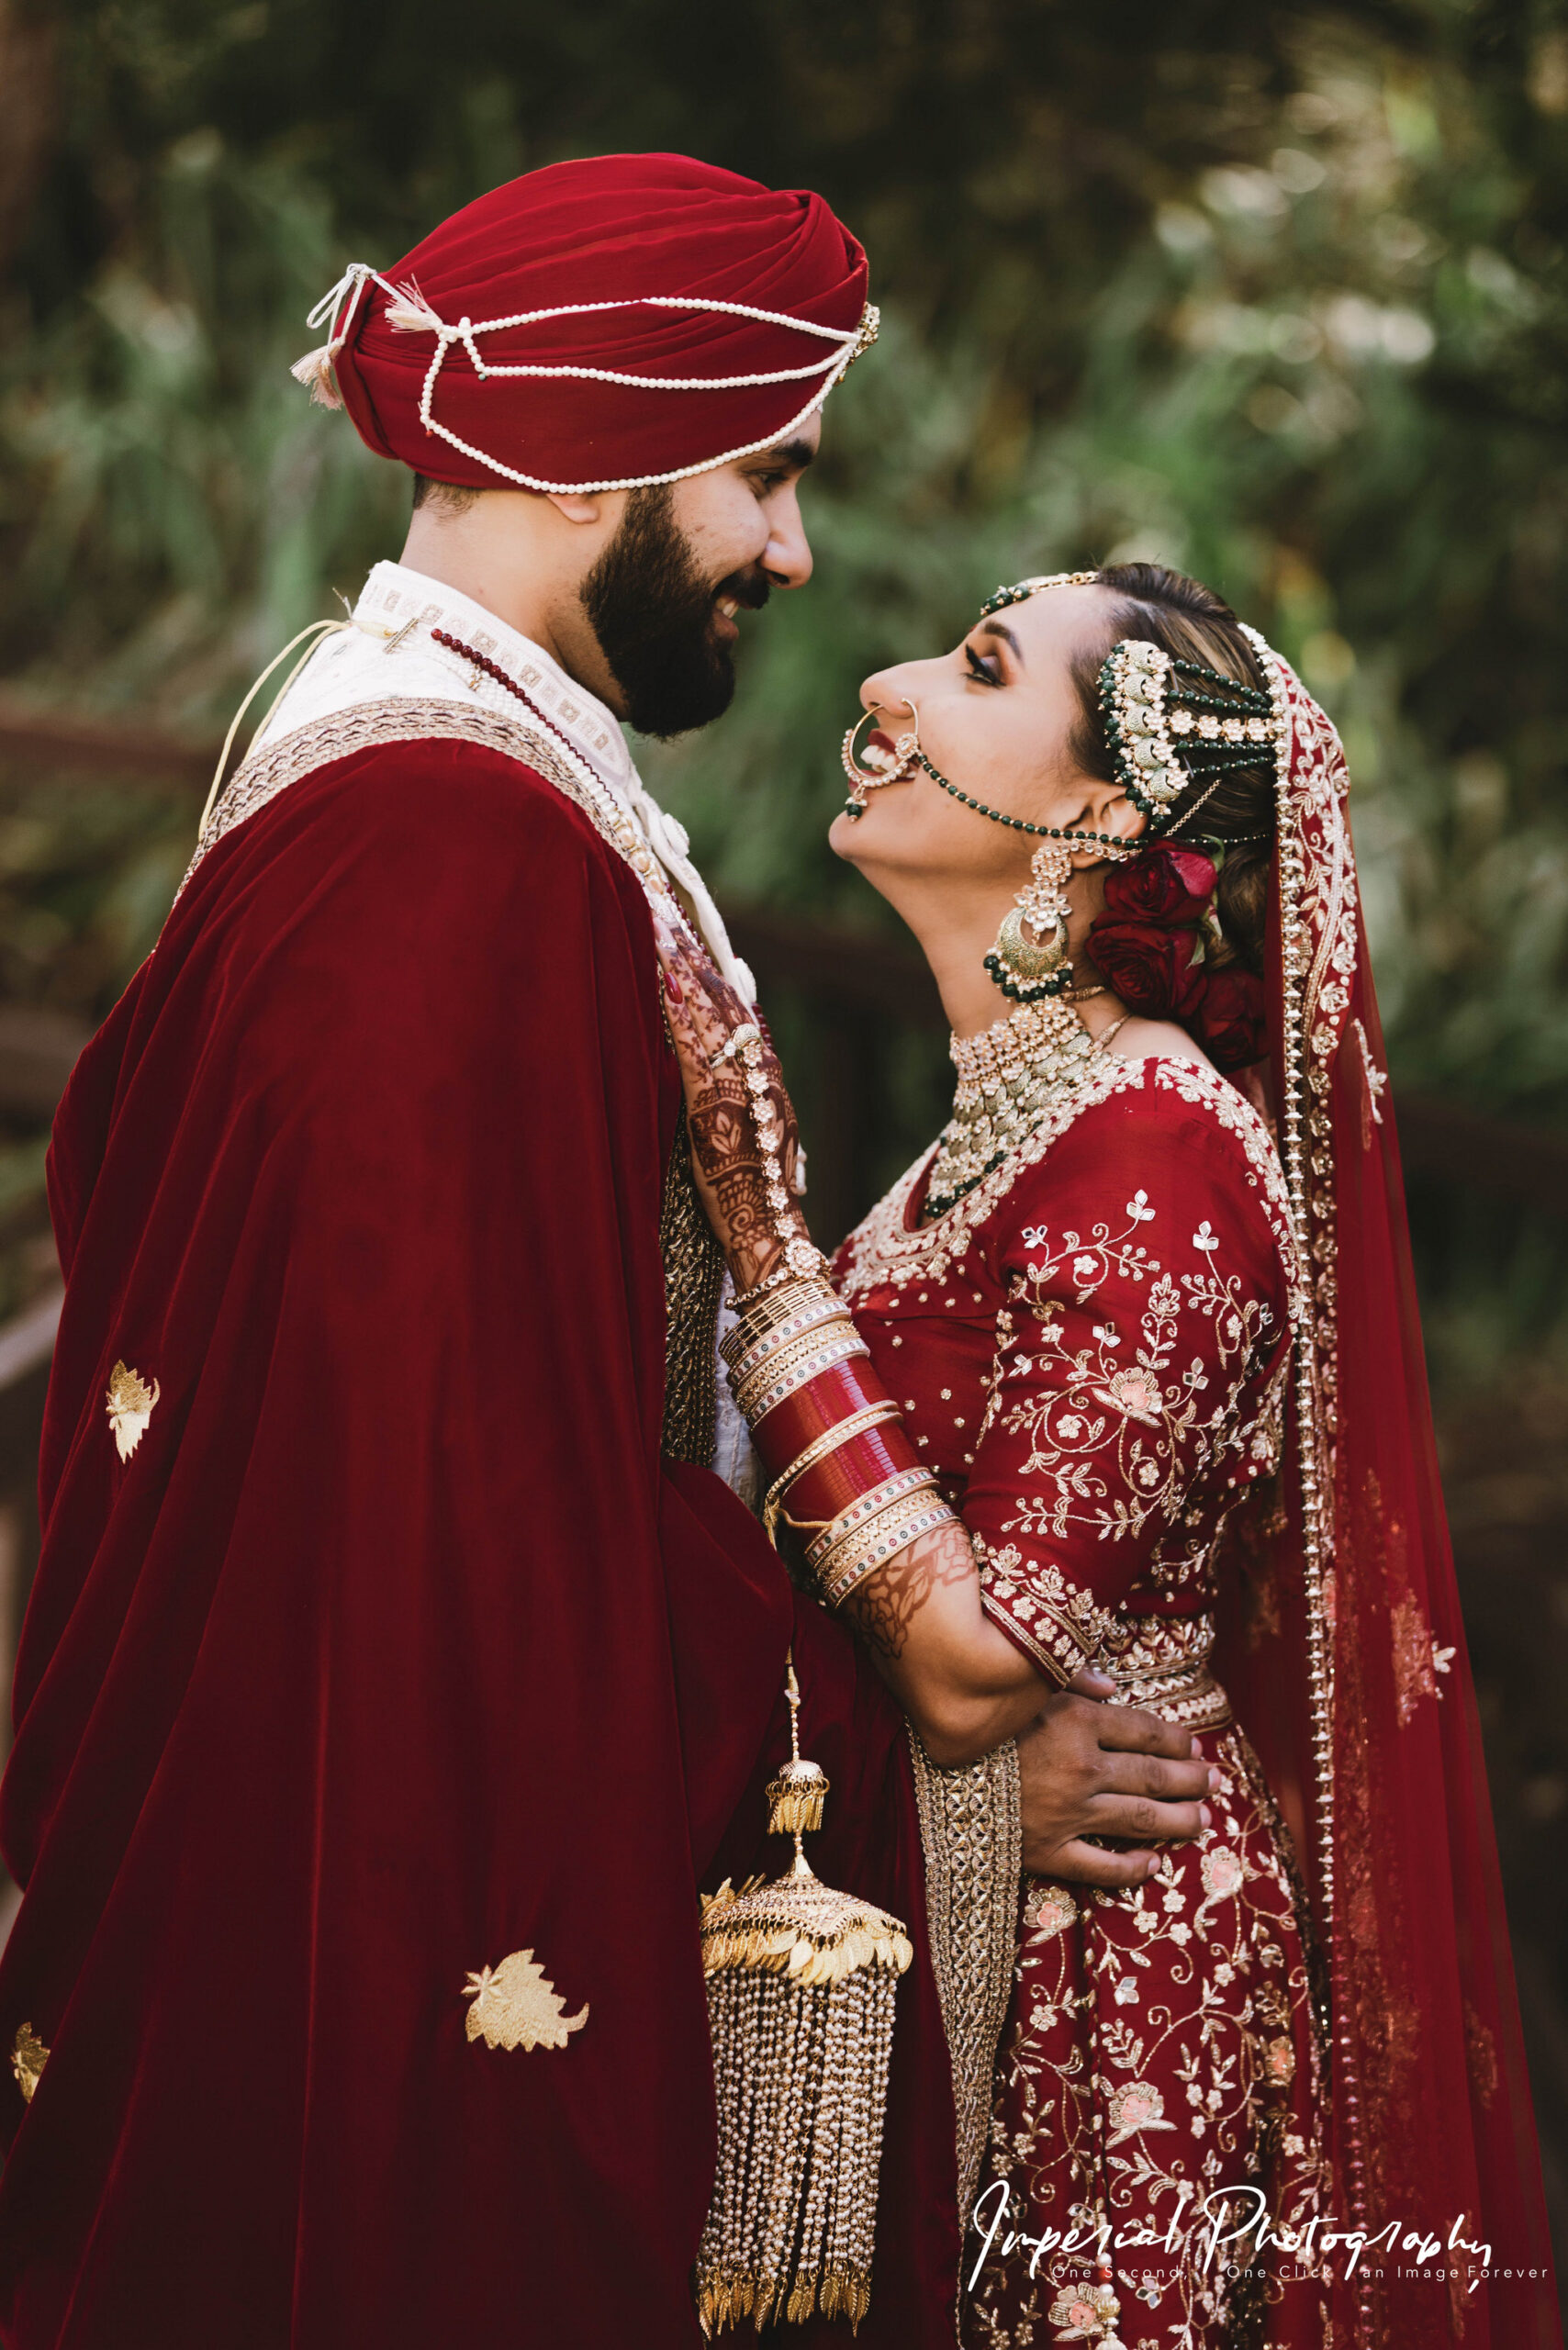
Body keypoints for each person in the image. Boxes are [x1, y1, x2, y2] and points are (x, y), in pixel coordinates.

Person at [0, 163, 1212, 2349]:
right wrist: (907, 1759)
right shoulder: (452, 849)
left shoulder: (411, 768)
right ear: (589, 447)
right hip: (387, 1958)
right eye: (766, 478)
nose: (793, 553)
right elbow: (471, 1535)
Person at [659, 562, 1556, 2346]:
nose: (892, 685)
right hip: (977, 1921)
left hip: (1090, 1986)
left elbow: (980, 1657)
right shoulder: (989, 1140)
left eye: (976, 668)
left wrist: (765, 1260)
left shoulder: (1157, 1163)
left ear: (1095, 816)